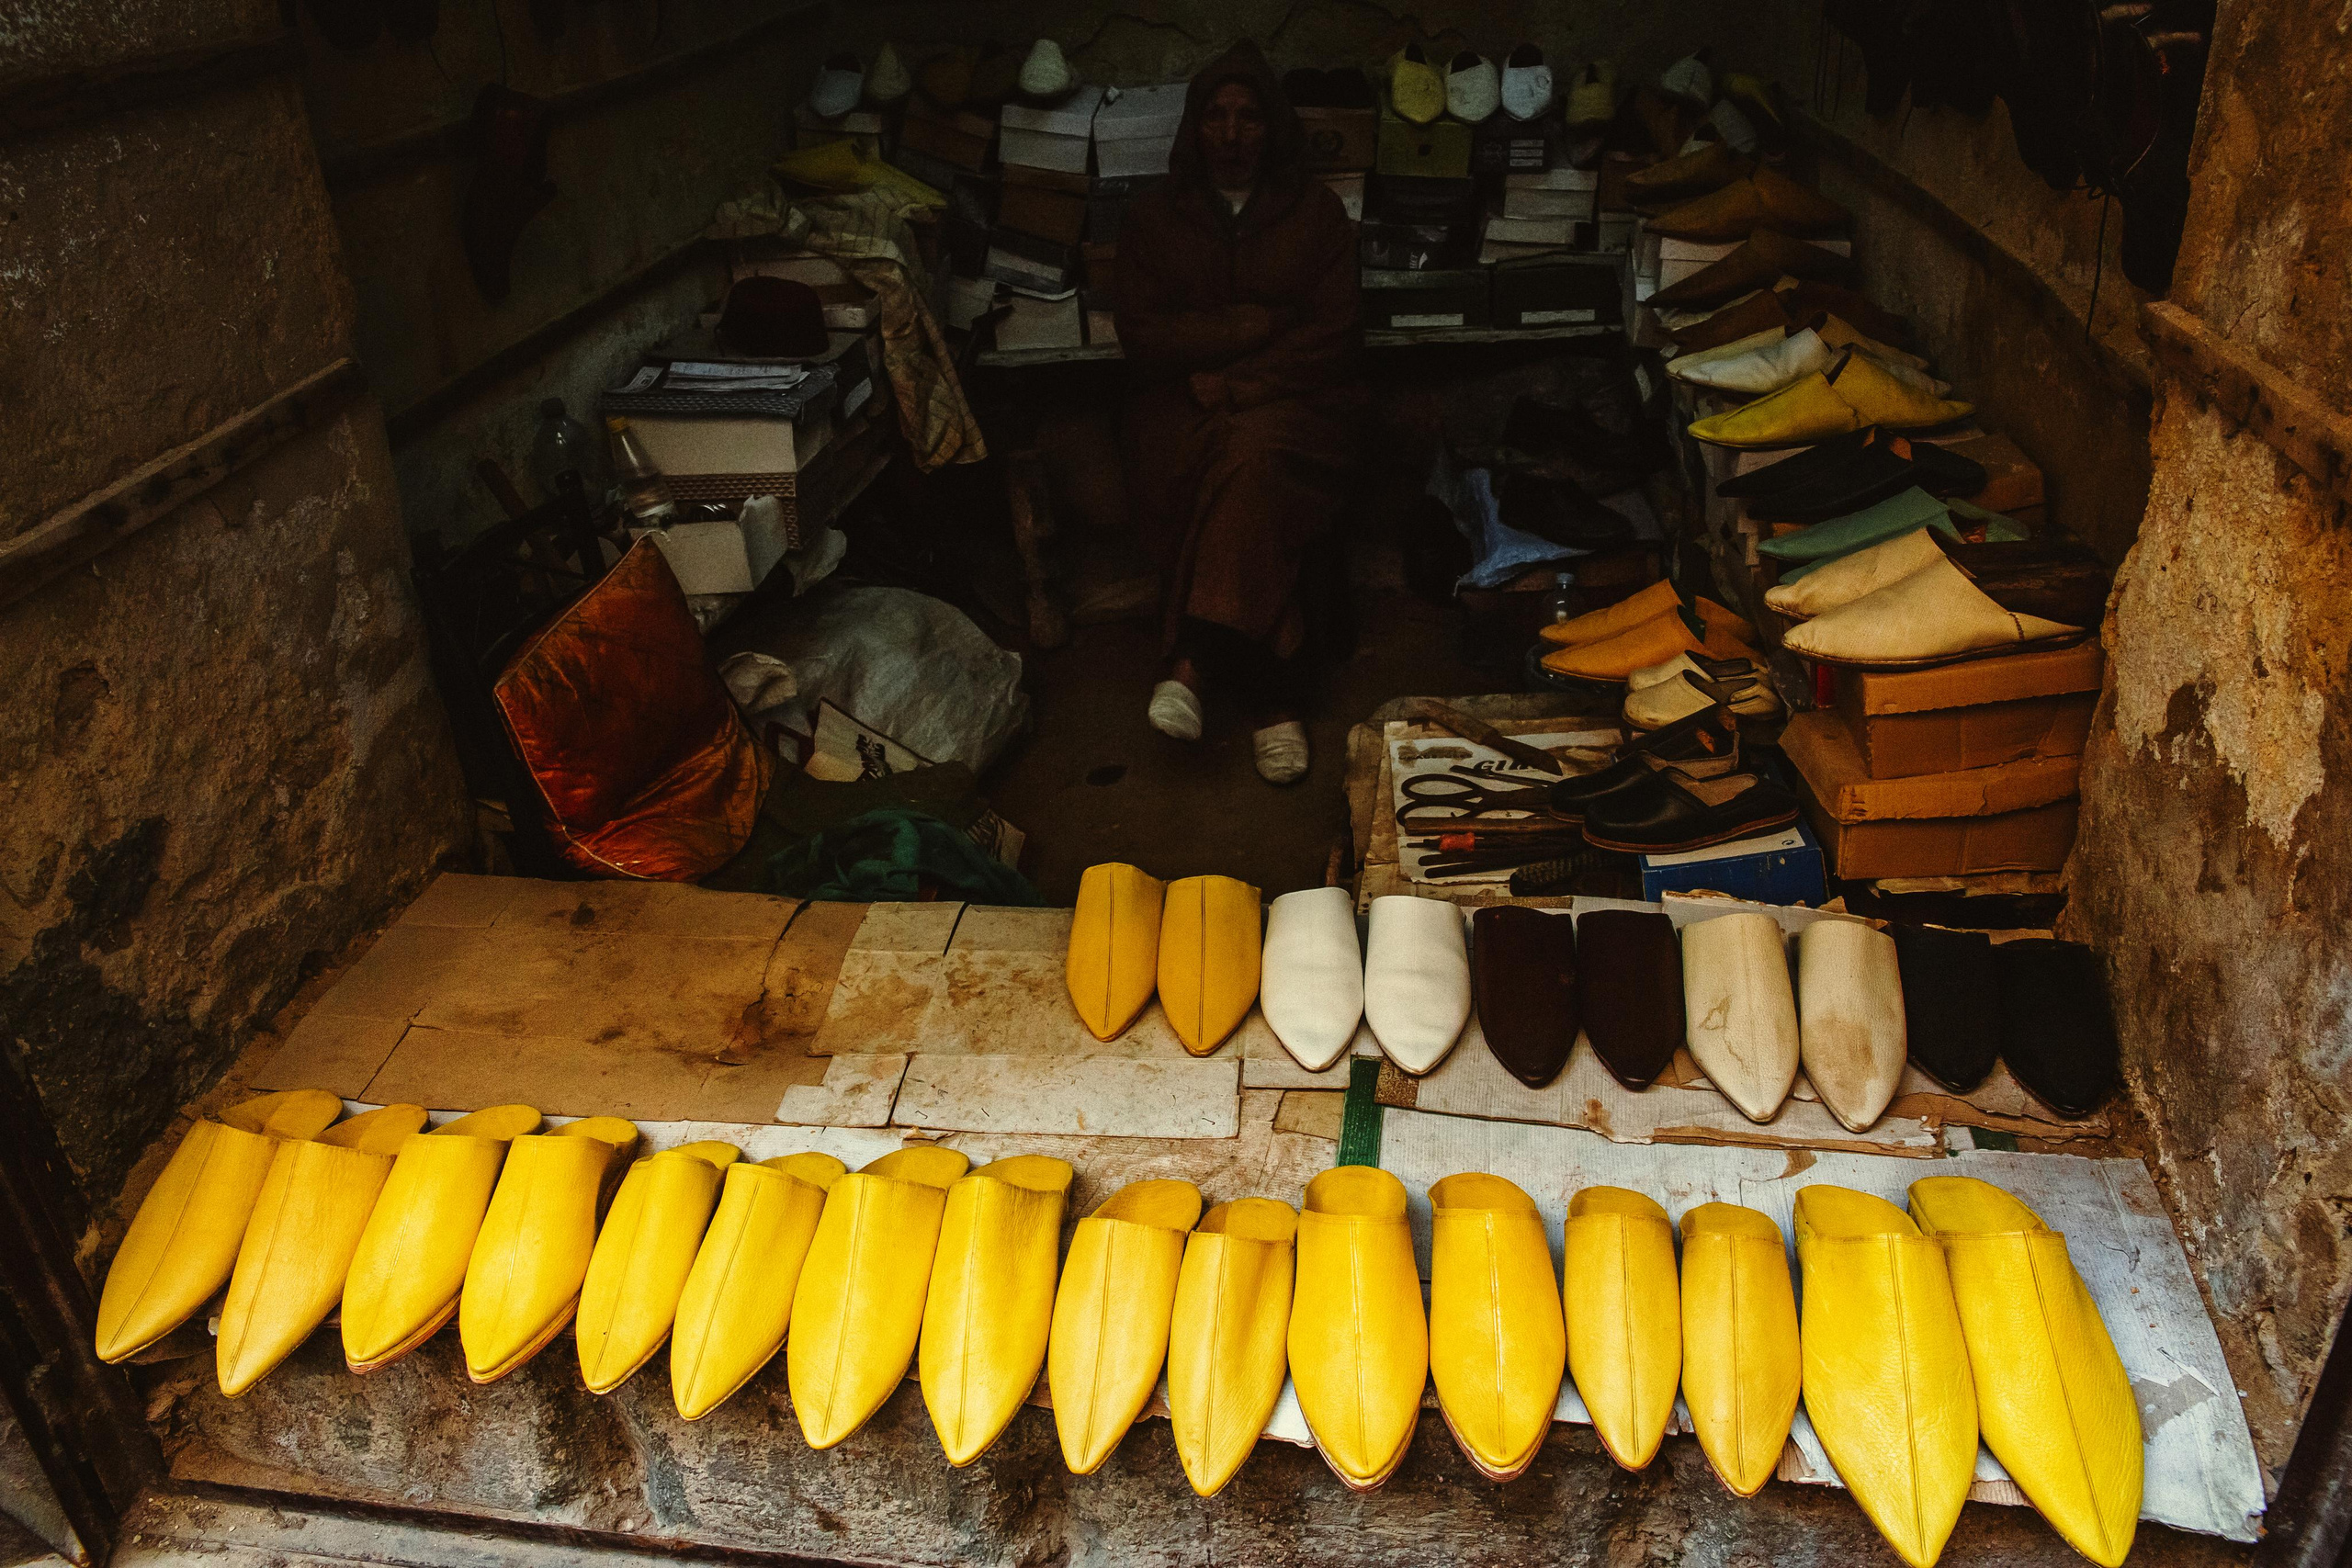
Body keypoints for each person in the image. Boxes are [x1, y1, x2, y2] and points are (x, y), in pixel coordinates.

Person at [1115, 41, 1364, 785]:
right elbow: (1142, 331)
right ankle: (1274, 701)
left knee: (1254, 457)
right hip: (1180, 408)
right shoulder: (1154, 217)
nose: (1231, 134)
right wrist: (1243, 328)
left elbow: (1335, 332)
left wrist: (1241, 382)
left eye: (1249, 118)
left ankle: (1191, 660)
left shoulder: (1315, 214)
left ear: (1273, 129)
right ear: (1194, 128)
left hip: (1299, 405)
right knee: (1240, 469)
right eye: (1216, 117)